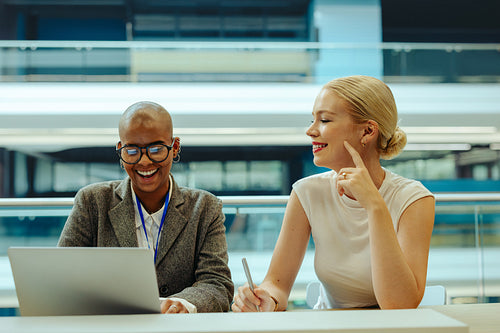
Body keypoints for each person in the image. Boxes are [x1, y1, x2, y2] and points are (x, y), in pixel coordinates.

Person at [232, 75, 435, 311]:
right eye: (313, 120)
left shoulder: (414, 199)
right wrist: (267, 298)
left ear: (368, 131)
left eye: (325, 120)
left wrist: (374, 205)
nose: (310, 131)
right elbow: (276, 283)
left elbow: (399, 304)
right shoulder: (307, 192)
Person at [58, 101, 234, 313]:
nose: (144, 162)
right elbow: (64, 278)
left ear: (175, 147)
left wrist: (182, 304)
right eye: (132, 150)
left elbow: (217, 284)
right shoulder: (91, 201)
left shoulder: (205, 207)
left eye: (156, 149)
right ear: (120, 151)